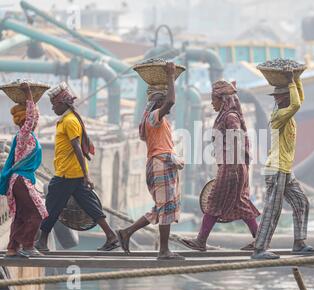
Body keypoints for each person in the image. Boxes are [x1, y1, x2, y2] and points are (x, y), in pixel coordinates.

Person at [35, 82, 118, 252]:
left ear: (63, 104)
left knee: (52, 205)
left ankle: (42, 242)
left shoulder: (70, 121)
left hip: (67, 174)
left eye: (54, 105)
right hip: (72, 173)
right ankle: (111, 236)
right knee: (89, 205)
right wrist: (84, 175)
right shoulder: (66, 120)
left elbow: (77, 148)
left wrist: (86, 175)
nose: (52, 109)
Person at [180, 80, 260, 251]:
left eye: (213, 99)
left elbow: (237, 137)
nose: (211, 103)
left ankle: (200, 241)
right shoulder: (226, 116)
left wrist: (231, 165)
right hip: (233, 166)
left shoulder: (230, 117)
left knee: (214, 202)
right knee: (242, 204)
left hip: (231, 167)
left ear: (222, 100)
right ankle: (260, 240)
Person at [116, 62, 185, 260]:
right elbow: (171, 102)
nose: (167, 104)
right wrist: (171, 76)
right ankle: (163, 250)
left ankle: (126, 232)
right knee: (165, 207)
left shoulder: (156, 119)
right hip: (159, 164)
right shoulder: (154, 116)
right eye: (163, 99)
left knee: (162, 207)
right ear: (158, 101)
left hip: (162, 164)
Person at [252, 68, 314, 260]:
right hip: (276, 169)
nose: (280, 99)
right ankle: (259, 249)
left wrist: (296, 80)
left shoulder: (288, 113)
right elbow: (296, 104)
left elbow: (299, 100)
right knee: (273, 210)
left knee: (302, 202)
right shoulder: (279, 115)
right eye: (280, 97)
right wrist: (290, 82)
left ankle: (299, 242)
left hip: (285, 169)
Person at [0, 83, 48, 258]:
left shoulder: (28, 136)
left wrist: (32, 101)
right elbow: (31, 118)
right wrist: (28, 94)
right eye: (32, 118)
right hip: (21, 180)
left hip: (20, 181)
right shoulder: (23, 135)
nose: (35, 120)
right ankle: (27, 245)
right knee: (38, 212)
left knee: (20, 215)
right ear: (25, 120)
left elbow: (34, 117)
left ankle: (12, 248)